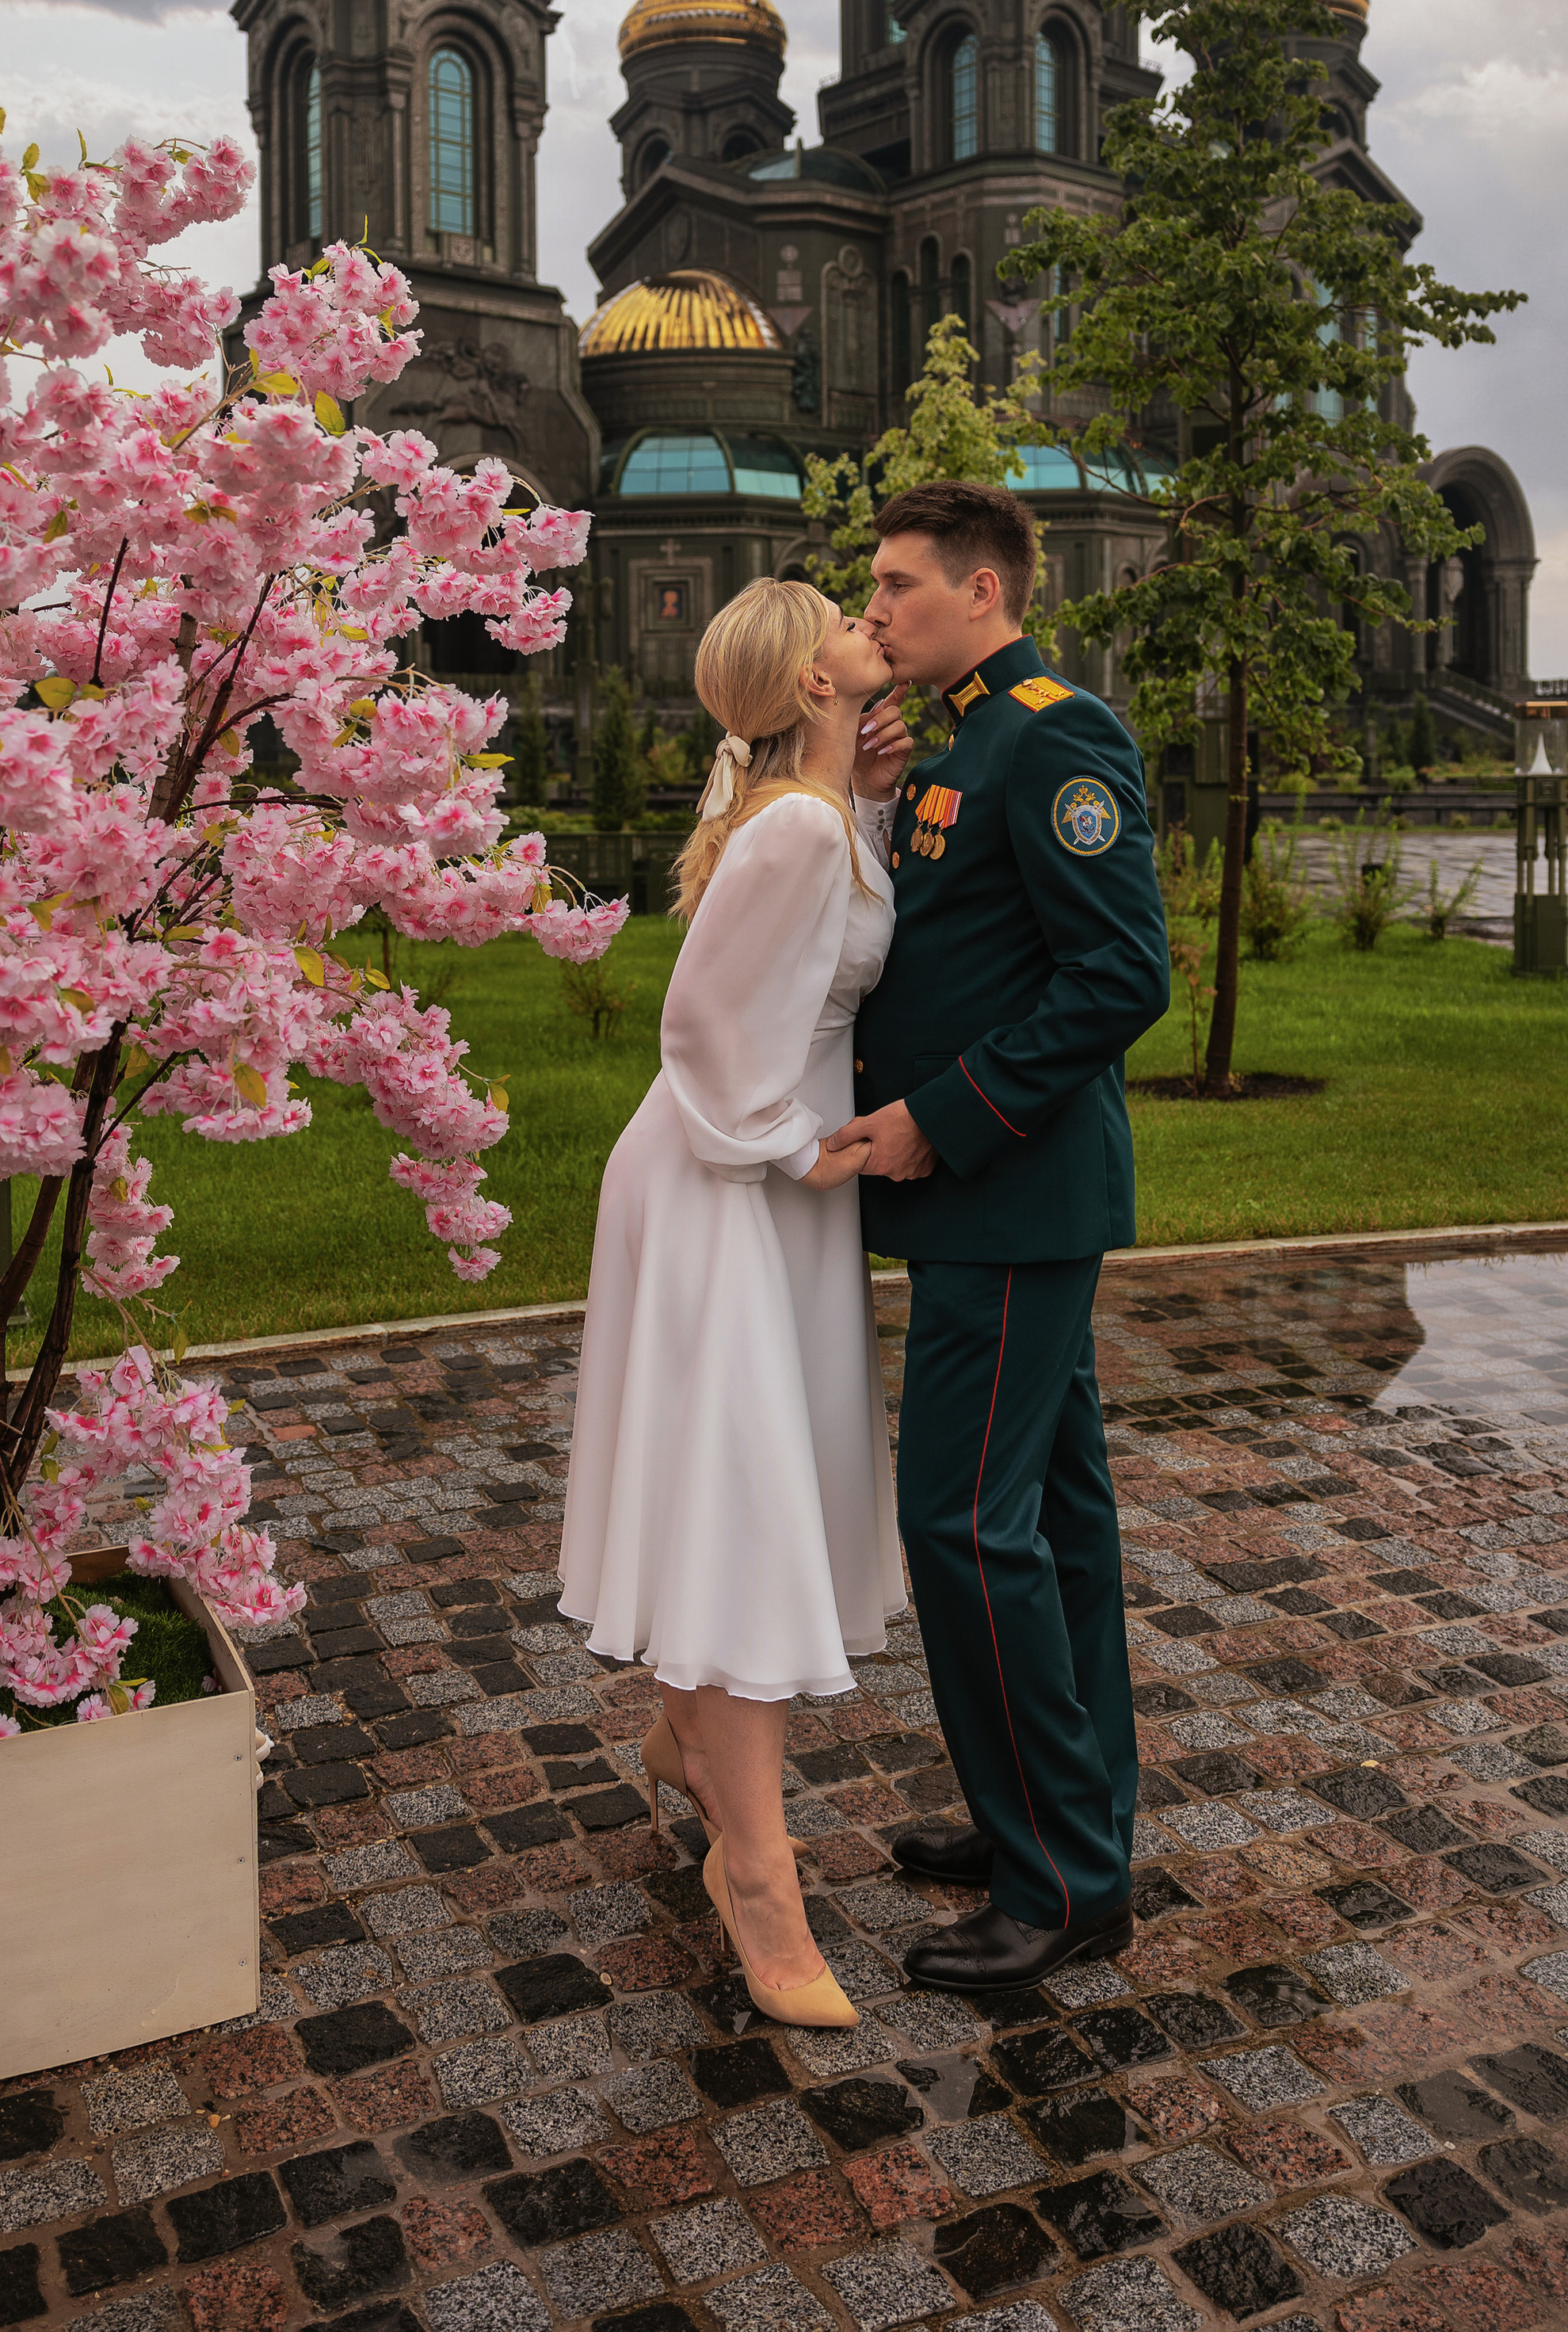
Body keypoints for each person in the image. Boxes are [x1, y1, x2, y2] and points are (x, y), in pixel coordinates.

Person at [826, 479, 1171, 1992]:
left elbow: (1117, 981)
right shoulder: (963, 737)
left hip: (1012, 1199)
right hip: (994, 1201)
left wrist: (937, 1120)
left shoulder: (1055, 735)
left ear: (983, 589)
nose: (876, 608)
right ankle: (1047, 1814)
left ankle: (1064, 1884)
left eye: (900, 584)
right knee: (1054, 1522)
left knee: (966, 1528)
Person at [558, 578, 903, 2029]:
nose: (868, 624)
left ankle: (688, 1736)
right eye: (845, 619)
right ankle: (754, 1877)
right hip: (730, 1185)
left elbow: (804, 975)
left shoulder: (819, 817)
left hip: (758, 1186)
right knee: (752, 1502)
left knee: (749, 1481)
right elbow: (699, 1022)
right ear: (812, 683)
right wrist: (782, 1148)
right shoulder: (798, 831)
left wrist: (870, 804)